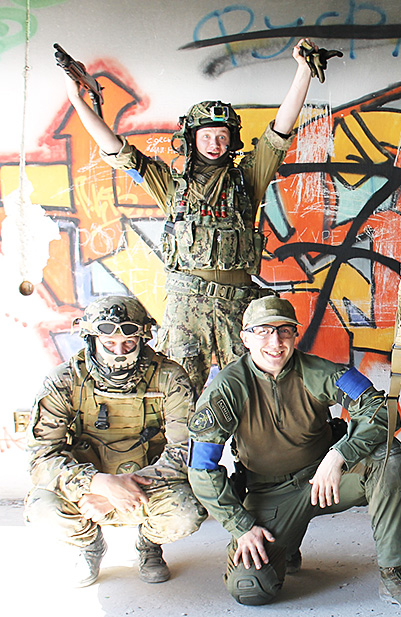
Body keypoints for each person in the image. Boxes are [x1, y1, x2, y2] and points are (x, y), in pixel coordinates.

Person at [62, 39, 316, 396]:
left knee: (252, 397)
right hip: (185, 312)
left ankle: (251, 455)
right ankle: (179, 456)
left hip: (238, 307)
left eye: (223, 137)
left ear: (233, 141)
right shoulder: (170, 186)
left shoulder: (247, 181)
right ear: (191, 138)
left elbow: (281, 131)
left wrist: (303, 71)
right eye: (207, 136)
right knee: (180, 397)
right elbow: (114, 148)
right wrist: (76, 101)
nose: (215, 143)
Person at [186, 295, 401, 614]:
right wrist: (241, 526)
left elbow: (382, 411)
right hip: (270, 491)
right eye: (263, 331)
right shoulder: (228, 387)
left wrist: (339, 455)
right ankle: (284, 546)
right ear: (245, 338)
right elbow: (201, 468)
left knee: (389, 455)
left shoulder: (319, 371)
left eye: (285, 331)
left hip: (326, 481)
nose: (275, 342)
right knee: (251, 589)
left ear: (294, 335)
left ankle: (393, 575)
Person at [24, 295, 206, 587]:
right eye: (109, 344)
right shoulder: (64, 381)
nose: (118, 352)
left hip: (146, 485)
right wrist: (98, 485)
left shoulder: (170, 378)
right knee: (42, 508)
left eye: (129, 343)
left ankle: (148, 545)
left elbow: (185, 452)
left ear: (142, 340)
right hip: (87, 491)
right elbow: (41, 457)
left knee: (187, 510)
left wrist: (119, 490)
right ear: (91, 339)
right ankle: (89, 544)